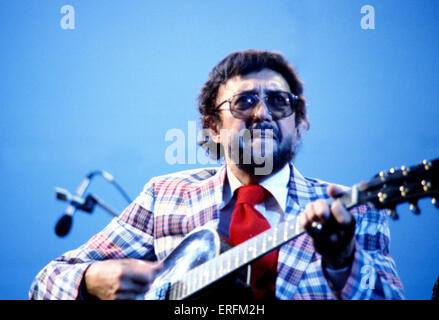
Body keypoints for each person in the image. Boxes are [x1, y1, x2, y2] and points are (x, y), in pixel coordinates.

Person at [29, 49, 404, 300]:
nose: (262, 114)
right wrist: (94, 279)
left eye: (278, 101)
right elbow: (45, 283)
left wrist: (343, 260)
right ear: (213, 126)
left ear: (299, 122)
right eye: (244, 102)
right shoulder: (166, 195)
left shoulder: (353, 213)